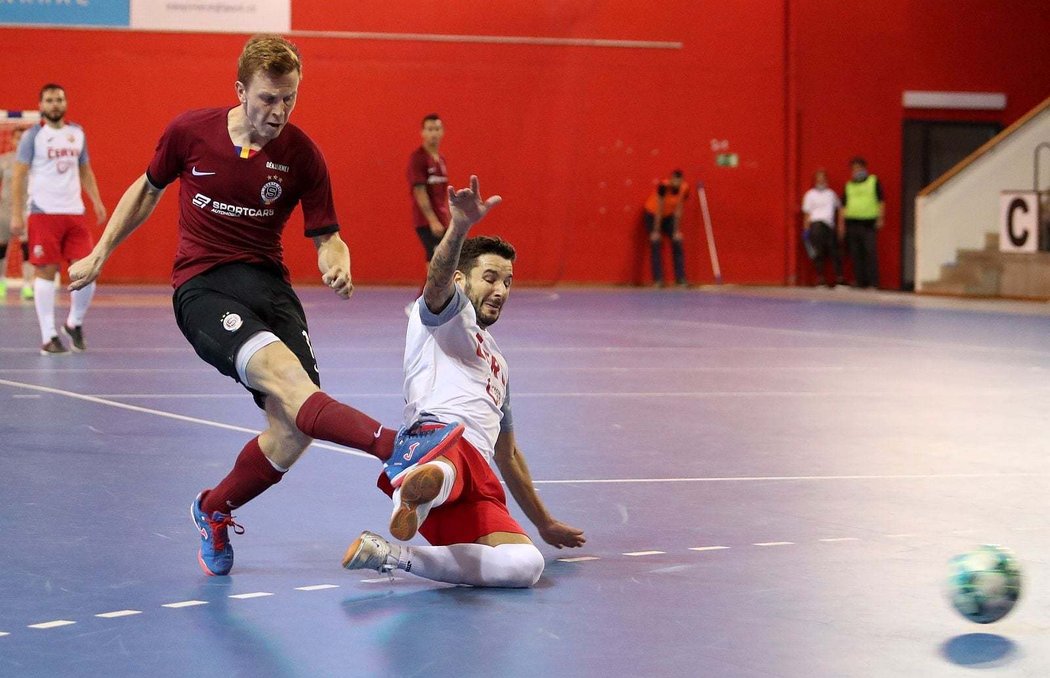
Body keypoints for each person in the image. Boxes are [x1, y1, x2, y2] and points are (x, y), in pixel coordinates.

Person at [68, 34, 462, 577]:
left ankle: (213, 508)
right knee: (290, 383)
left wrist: (336, 260)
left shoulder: (302, 155)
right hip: (204, 288)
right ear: (240, 91)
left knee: (295, 428)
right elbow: (147, 189)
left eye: (289, 99)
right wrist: (100, 253)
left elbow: (327, 234)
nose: (278, 112)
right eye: (267, 99)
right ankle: (396, 447)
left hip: (270, 288)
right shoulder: (191, 132)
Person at [342, 176, 587, 588]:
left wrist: (543, 523)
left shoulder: (499, 364)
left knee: (524, 566)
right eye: (490, 277)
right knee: (447, 459)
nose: (501, 290)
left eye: (508, 282)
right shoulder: (446, 318)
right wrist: (458, 227)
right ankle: (426, 484)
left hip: (481, 478)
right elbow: (435, 283)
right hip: (440, 436)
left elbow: (507, 455)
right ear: (461, 280)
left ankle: (394, 553)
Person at [9, 85, 107, 353]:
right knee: (46, 272)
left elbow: (85, 169)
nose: (55, 104)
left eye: (59, 99)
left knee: (87, 272)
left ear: (65, 103)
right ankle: (48, 336)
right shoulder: (33, 136)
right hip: (43, 212)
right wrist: (17, 214)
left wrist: (96, 201)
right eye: (49, 100)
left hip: (74, 213)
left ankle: (74, 323)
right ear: (41, 105)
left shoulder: (77, 133)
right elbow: (19, 175)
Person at [405, 113, 450, 311]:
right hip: (426, 222)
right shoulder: (418, 159)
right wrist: (432, 220)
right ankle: (421, 304)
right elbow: (420, 191)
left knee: (441, 261)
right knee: (437, 262)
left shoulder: (441, 160)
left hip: (443, 220)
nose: (433, 133)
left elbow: (442, 194)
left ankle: (429, 302)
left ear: (442, 132)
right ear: (423, 133)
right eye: (429, 129)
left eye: (437, 129)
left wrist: (448, 217)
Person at [837, 157, 884, 289]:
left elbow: (881, 201)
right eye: (854, 169)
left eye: (859, 168)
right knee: (856, 254)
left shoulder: (873, 181)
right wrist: (841, 225)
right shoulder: (849, 185)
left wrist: (881, 218)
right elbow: (843, 206)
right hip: (852, 223)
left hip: (868, 223)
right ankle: (860, 282)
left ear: (864, 168)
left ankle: (873, 283)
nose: (857, 171)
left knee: (870, 252)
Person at [0, 127, 35, 300]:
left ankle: (28, 285)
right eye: (17, 138)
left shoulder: (34, 162)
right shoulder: (4, 161)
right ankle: (1, 283)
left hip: (26, 210)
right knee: (1, 248)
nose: (20, 141)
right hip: (5, 210)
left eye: (23, 138)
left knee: (27, 248)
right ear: (12, 140)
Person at [643, 169, 688, 287]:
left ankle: (680, 278)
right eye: (673, 180)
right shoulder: (663, 187)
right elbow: (659, 210)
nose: (676, 183)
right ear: (671, 179)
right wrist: (656, 231)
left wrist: (676, 230)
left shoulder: (684, 189)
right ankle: (658, 280)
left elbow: (679, 210)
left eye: (678, 180)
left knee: (677, 241)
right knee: (656, 242)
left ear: (681, 181)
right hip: (653, 215)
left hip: (669, 217)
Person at [801, 169, 844, 287]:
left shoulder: (831, 194)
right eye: (818, 178)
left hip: (829, 225)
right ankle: (820, 279)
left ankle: (839, 279)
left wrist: (840, 225)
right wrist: (806, 230)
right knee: (818, 253)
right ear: (815, 180)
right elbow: (807, 214)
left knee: (834, 252)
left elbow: (840, 209)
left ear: (826, 180)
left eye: (823, 178)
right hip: (816, 225)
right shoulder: (810, 195)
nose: (821, 180)